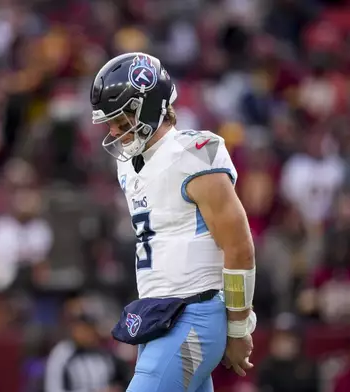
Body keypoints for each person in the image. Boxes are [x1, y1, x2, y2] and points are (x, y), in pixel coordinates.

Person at [90, 52, 257, 392]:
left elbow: (239, 247)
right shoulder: (128, 164)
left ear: (149, 105)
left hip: (193, 313)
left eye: (121, 120)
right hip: (157, 316)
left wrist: (239, 326)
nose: (114, 131)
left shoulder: (195, 154)